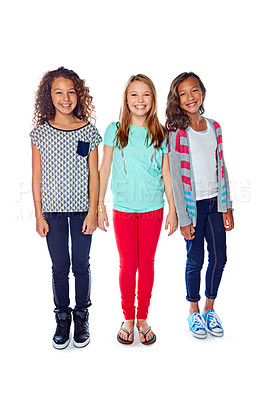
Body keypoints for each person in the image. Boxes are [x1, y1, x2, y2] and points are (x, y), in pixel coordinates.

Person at [98, 74, 178, 345]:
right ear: (126, 98)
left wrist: (173, 209)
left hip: (153, 209)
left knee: (146, 265)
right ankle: (127, 317)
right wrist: (99, 206)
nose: (140, 100)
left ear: (153, 100)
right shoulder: (114, 130)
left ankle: (142, 316)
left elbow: (167, 173)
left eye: (146, 94)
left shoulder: (161, 133)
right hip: (122, 209)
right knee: (127, 264)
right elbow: (104, 169)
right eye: (134, 94)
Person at [30, 67, 102, 349]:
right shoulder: (40, 133)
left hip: (83, 211)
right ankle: (62, 317)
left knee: (81, 266)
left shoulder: (88, 131)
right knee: (60, 267)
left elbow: (94, 175)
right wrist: (38, 215)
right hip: (53, 213)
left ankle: (82, 316)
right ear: (49, 96)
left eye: (71, 91)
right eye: (58, 92)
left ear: (78, 95)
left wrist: (93, 212)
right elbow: (36, 177)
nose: (65, 97)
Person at [166, 72, 234, 339]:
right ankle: (193, 311)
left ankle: (209, 309)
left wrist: (227, 205)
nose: (190, 97)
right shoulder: (175, 131)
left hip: (215, 203)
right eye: (183, 94)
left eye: (194, 91)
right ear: (177, 99)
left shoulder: (214, 127)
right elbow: (174, 176)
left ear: (202, 93)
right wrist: (183, 217)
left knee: (219, 258)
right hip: (193, 208)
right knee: (196, 260)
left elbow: (221, 166)